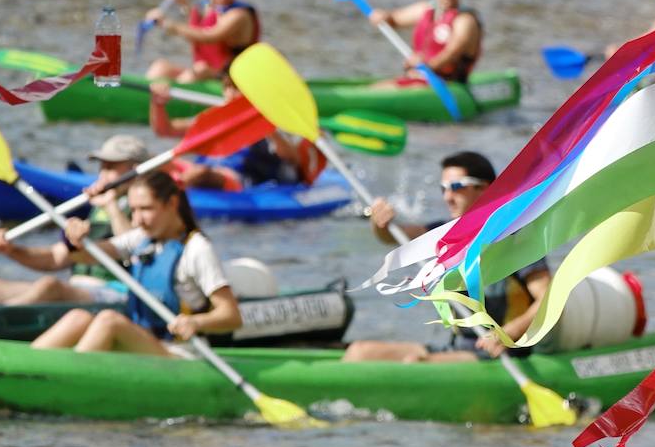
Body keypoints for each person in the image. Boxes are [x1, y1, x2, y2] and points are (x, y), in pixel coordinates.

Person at [343, 152, 552, 363]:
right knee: (359, 351)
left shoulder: (515, 239)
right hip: (458, 348)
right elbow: (391, 236)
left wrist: (507, 333)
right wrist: (380, 221)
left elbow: (548, 299)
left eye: (456, 187)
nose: (447, 197)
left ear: (486, 188)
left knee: (415, 363)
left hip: (503, 353)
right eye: (443, 189)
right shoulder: (446, 235)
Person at [30, 171, 242, 356]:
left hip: (180, 352)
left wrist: (196, 323)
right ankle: (24, 366)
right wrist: (73, 239)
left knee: (109, 321)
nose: (136, 220)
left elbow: (231, 316)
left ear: (172, 203)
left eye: (146, 209)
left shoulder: (197, 249)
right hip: (143, 343)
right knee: (78, 317)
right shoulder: (142, 238)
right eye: (133, 210)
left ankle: (64, 379)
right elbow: (85, 256)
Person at [0, 134, 148, 306]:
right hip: (78, 288)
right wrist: (11, 250)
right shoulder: (98, 209)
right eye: (102, 167)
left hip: (118, 293)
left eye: (111, 167)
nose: (102, 175)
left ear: (135, 169)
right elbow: (55, 258)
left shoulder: (147, 209)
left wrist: (111, 205)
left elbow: (135, 247)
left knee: (50, 286)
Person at [148, 76, 318, 192]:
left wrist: (265, 123)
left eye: (237, 89)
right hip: (200, 171)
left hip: (239, 180)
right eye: (226, 87)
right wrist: (158, 105)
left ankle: (169, 194)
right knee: (153, 162)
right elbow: (165, 130)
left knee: (200, 172)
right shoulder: (216, 118)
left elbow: (293, 159)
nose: (229, 94)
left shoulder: (267, 122)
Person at [145, 0, 259, 82]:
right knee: (160, 67)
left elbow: (208, 36)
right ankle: (148, 97)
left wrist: (167, 24)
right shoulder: (205, 8)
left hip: (229, 80)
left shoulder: (239, 15)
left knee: (199, 69)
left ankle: (164, 98)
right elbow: (195, 29)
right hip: (204, 73)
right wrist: (183, 3)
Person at [370, 0, 483, 83]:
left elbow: (451, 54)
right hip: (419, 79)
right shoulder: (424, 9)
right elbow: (392, 20)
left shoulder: (465, 21)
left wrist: (425, 67)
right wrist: (382, 16)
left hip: (447, 83)